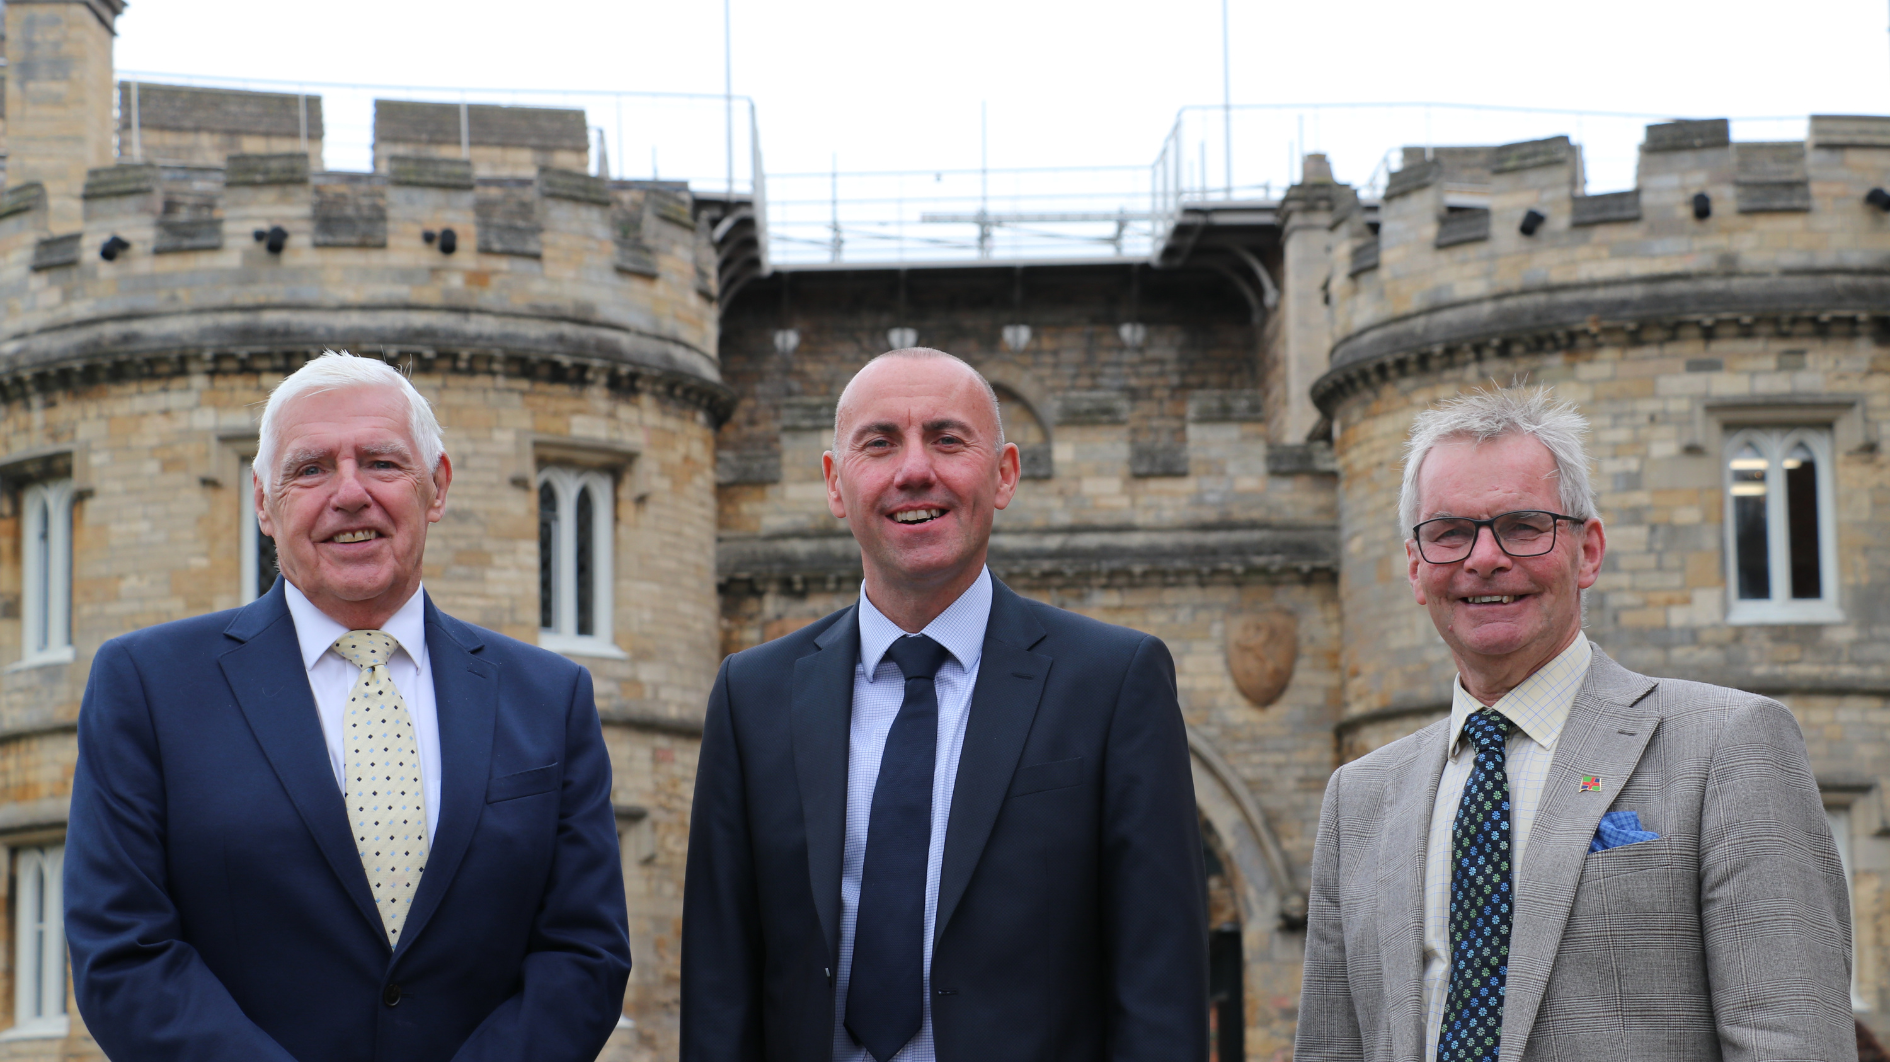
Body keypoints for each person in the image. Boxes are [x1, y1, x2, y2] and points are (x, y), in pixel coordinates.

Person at [64, 352, 632, 1062]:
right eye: (311, 469)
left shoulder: (550, 698)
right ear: (263, 503)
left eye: (383, 463)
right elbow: (124, 953)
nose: (350, 493)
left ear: (438, 487)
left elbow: (584, 951)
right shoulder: (146, 686)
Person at [1295, 386, 1852, 1062]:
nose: (1483, 558)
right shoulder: (1359, 798)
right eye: (1450, 533)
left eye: (1523, 526)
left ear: (1587, 551)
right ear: (1416, 567)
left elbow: (1792, 1044)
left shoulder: (1727, 747)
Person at [682, 348, 1207, 1062]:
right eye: (880, 442)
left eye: (948, 438)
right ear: (837, 485)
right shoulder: (752, 696)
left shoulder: (1115, 683)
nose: (914, 470)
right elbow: (720, 987)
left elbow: (1160, 986)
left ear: (1005, 475)